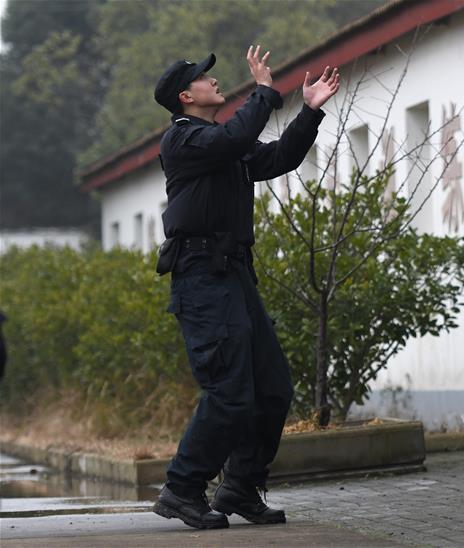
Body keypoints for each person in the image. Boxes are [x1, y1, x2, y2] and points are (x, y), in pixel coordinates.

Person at [151, 46, 338, 530]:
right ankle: (182, 488)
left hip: (233, 275)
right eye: (204, 79)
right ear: (186, 96)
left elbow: (277, 158)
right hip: (200, 279)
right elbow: (237, 139)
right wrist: (264, 92)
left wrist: (309, 112)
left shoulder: (220, 140)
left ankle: (239, 485)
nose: (215, 82)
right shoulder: (184, 141)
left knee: (273, 387)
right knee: (229, 392)